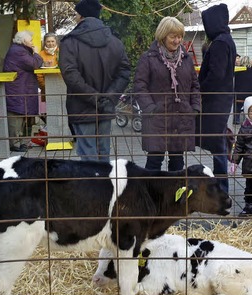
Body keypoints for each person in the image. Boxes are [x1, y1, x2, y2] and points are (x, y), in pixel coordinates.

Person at [59, 0, 131, 162]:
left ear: (81, 15)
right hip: (106, 107)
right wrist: (109, 97)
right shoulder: (115, 42)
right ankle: (104, 187)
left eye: (76, 14)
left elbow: (70, 75)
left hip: (82, 107)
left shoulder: (69, 42)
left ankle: (92, 187)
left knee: (87, 156)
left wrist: (94, 98)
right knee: (103, 153)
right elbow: (125, 71)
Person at [133, 16, 200, 171]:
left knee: (177, 163)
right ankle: (150, 195)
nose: (177, 41)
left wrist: (195, 108)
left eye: (180, 36)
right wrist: (150, 108)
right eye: (173, 36)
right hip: (157, 119)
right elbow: (139, 86)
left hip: (181, 118)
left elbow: (195, 85)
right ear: (163, 36)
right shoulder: (148, 58)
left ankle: (174, 195)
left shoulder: (186, 59)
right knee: (154, 162)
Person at [196, 3, 237, 193]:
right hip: (221, 99)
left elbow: (216, 74)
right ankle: (221, 188)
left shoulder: (220, 43)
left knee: (217, 145)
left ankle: (221, 189)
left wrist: (199, 90)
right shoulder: (226, 39)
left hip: (215, 102)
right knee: (217, 142)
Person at [3, 30, 43, 152]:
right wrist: (36, 53)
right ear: (24, 41)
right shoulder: (19, 51)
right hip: (18, 89)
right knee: (16, 116)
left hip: (21, 87)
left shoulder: (18, 50)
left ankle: (21, 143)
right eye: (30, 40)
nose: (32, 42)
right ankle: (15, 144)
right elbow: (35, 64)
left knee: (21, 115)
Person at [37, 32, 59, 102]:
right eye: (48, 41)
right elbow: (38, 71)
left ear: (56, 42)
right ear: (45, 42)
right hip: (45, 87)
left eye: (52, 41)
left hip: (60, 85)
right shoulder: (40, 54)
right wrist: (44, 85)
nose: (51, 43)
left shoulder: (61, 52)